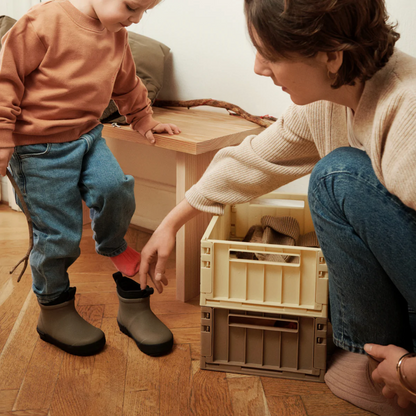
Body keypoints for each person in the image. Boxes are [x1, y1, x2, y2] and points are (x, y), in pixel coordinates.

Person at [138, 0, 416, 414]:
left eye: (270, 55)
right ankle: (372, 356)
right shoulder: (329, 99)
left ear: (331, 56)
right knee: (335, 176)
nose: (258, 68)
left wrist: (409, 371)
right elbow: (252, 159)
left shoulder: (407, 107)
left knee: (335, 176)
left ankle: (391, 369)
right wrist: (172, 222)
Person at [0, 0, 179, 356]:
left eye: (145, 10)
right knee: (59, 234)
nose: (136, 17)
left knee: (115, 189)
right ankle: (53, 308)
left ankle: (113, 247)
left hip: (88, 137)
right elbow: (6, 80)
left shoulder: (117, 35)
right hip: (38, 149)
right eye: (131, 6)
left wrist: (143, 119)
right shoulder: (42, 23)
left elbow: (127, 85)